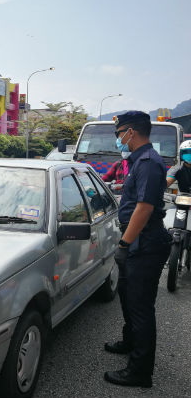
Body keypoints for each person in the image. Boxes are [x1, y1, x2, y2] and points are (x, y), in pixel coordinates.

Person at [103, 111, 171, 389]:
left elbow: (144, 208)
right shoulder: (138, 161)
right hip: (137, 242)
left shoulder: (147, 162)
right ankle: (130, 342)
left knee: (141, 306)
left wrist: (124, 244)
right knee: (128, 297)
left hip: (145, 243)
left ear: (131, 132)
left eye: (119, 133)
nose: (118, 139)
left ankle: (140, 371)